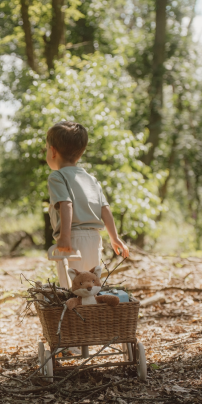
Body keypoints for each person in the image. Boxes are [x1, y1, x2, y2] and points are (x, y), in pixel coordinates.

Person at [46, 121, 130, 289]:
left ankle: (75, 316)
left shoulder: (57, 177)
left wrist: (64, 237)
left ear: (53, 151)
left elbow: (66, 204)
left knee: (73, 287)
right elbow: (105, 209)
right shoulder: (91, 179)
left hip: (73, 238)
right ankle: (91, 315)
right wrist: (115, 238)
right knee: (91, 286)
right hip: (94, 239)